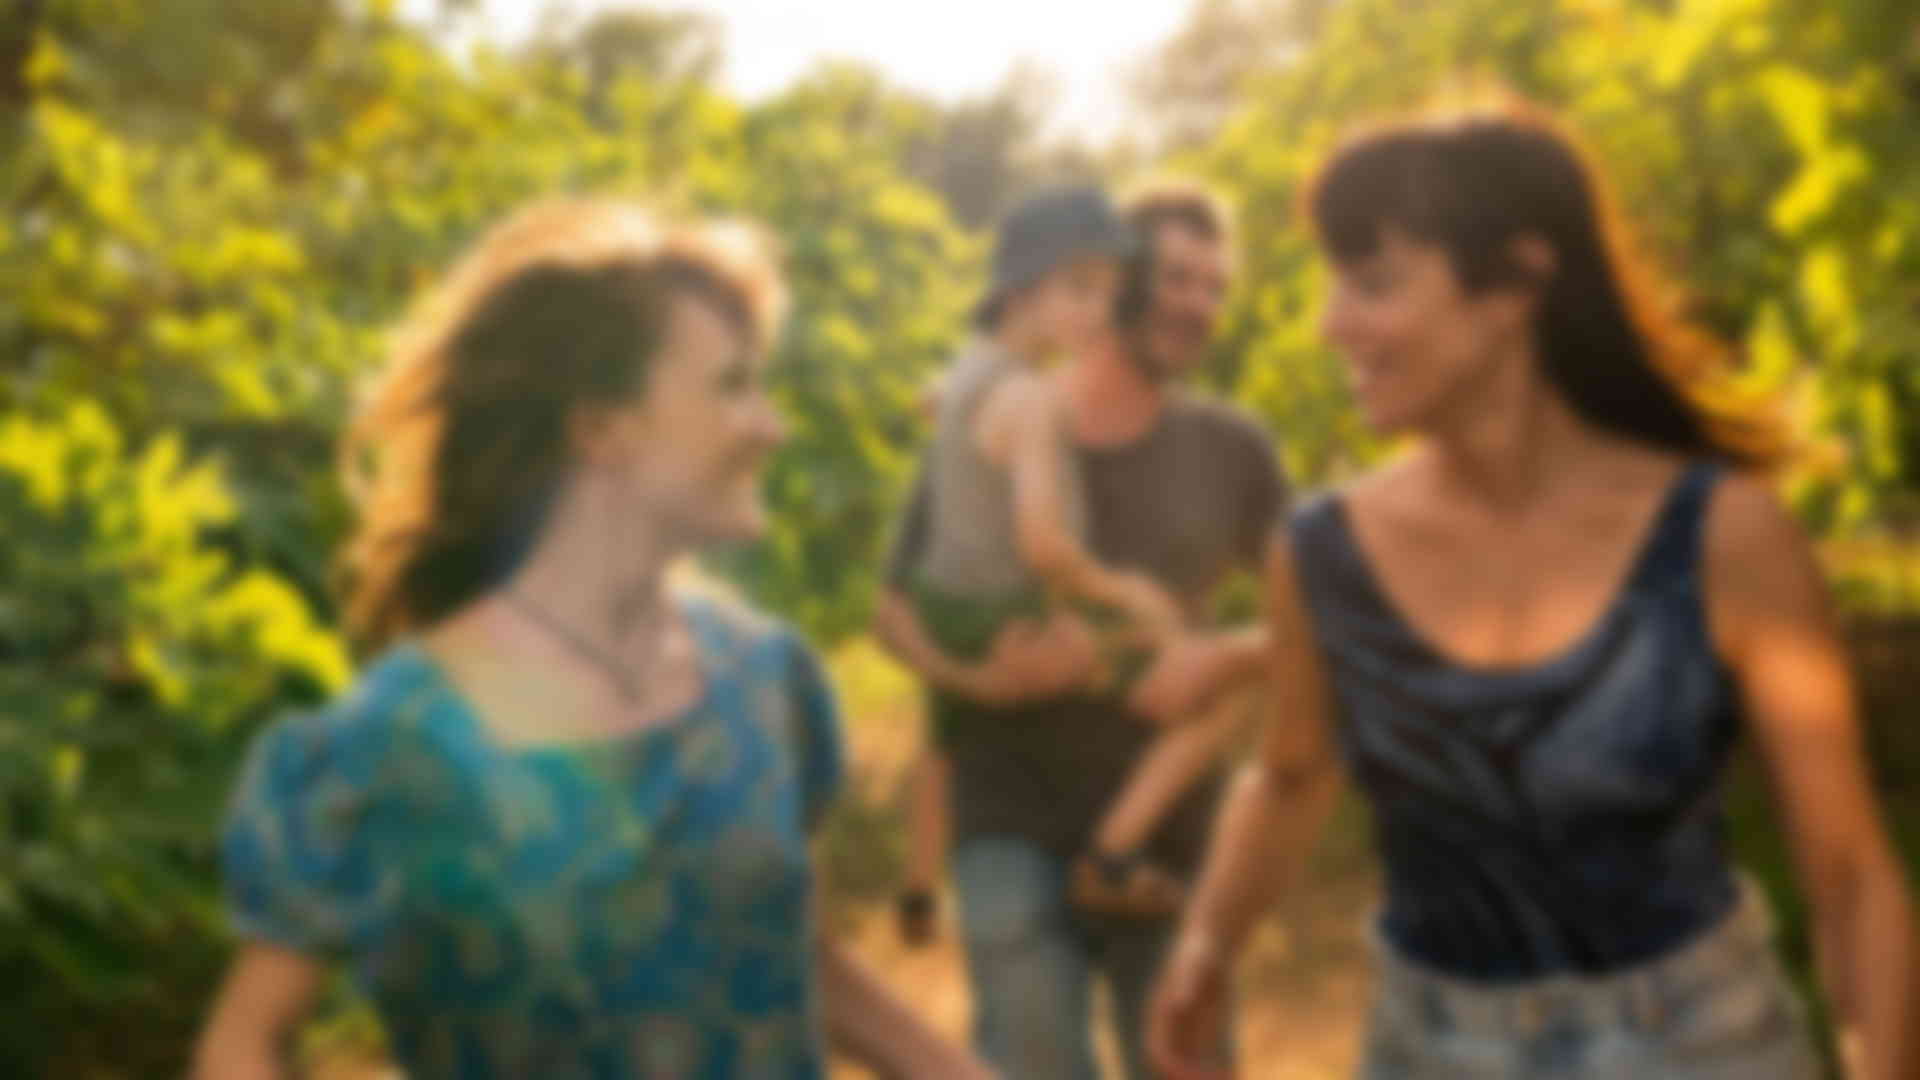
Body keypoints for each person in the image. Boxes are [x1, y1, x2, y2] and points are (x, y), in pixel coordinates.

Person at [1150, 102, 1918, 1080]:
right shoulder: (1320, 554)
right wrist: (1208, 940)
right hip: (1430, 1051)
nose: (1331, 324)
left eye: (1374, 284)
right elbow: (1291, 774)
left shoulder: (1724, 536)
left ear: (1516, 283)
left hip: (1703, 1045)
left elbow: (1849, 875)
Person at [191, 198, 993, 1079]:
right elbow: (244, 1041)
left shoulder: (766, 680)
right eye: (733, 386)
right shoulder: (390, 742)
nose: (773, 426)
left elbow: (792, 956)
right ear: (601, 428)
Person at [876, 180, 1287, 1078]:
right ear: (1115, 280)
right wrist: (981, 679)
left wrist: (1231, 653)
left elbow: (1319, 611)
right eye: (1176, 278)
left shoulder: (1232, 447)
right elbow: (891, 611)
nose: (1199, 305)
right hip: (1008, 815)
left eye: (1215, 287)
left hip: (1169, 842)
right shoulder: (990, 421)